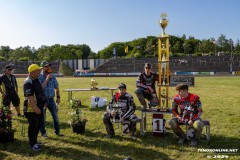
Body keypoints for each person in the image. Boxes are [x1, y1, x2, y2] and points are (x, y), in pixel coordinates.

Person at [23, 64, 46, 151]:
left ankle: (35, 141)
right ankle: (32, 144)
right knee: (33, 126)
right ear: (33, 72)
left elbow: (39, 91)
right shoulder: (29, 81)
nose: (40, 72)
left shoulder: (35, 79)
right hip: (31, 109)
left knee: (39, 124)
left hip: (38, 107)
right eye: (38, 70)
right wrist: (35, 108)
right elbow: (30, 97)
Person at [39, 61, 63, 138]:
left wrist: (58, 97)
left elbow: (57, 87)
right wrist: (47, 79)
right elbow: (40, 88)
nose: (48, 67)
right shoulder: (39, 76)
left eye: (48, 66)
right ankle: (43, 133)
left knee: (55, 116)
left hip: (51, 99)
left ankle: (57, 132)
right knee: (43, 118)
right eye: (46, 66)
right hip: (43, 100)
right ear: (42, 68)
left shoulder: (52, 76)